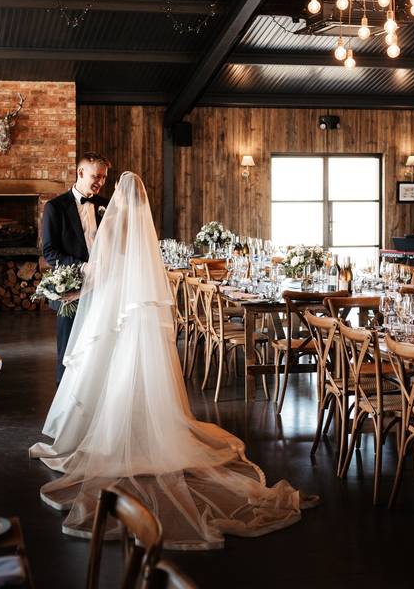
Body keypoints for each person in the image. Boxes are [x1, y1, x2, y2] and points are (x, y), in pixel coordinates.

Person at [30, 172, 312, 551]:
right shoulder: (141, 231)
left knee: (104, 362)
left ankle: (106, 424)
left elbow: (102, 263)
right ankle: (143, 420)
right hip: (138, 306)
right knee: (137, 363)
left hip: (112, 303)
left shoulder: (110, 221)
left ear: (117, 200)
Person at [41, 153, 110, 384]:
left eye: (103, 177)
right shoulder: (55, 207)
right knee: (69, 349)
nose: (100, 181)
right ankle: (66, 399)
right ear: (80, 173)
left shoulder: (106, 206)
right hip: (72, 290)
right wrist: (83, 268)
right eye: (95, 176)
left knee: (100, 345)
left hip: (104, 287)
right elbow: (50, 252)